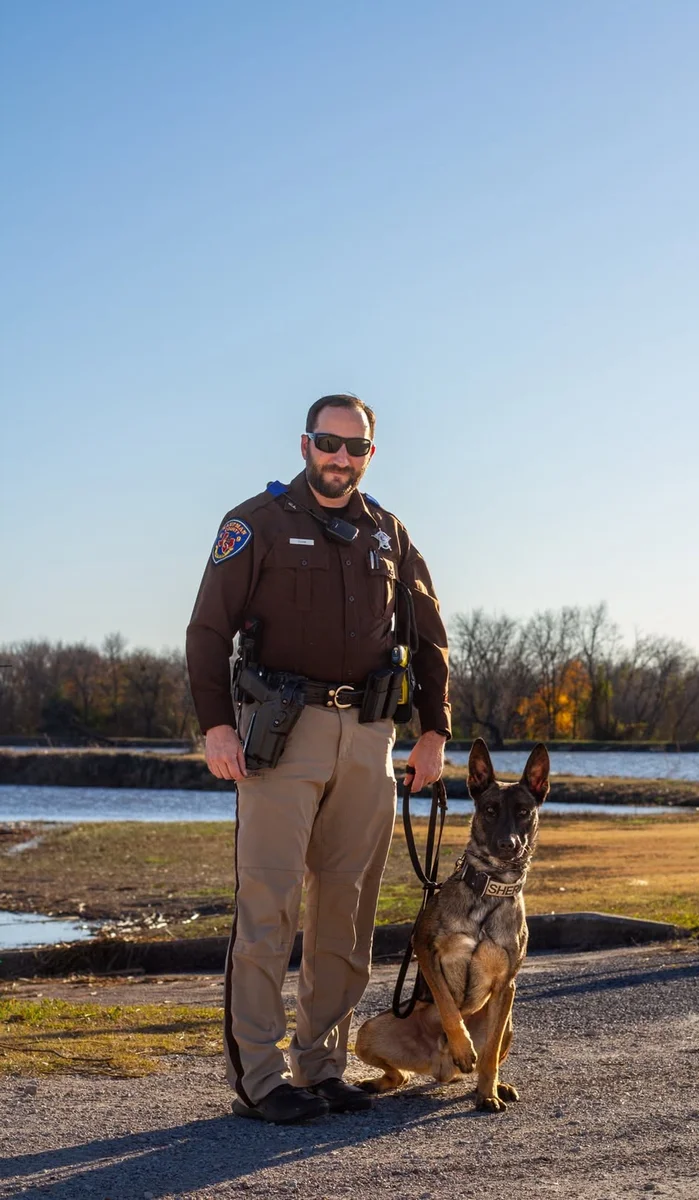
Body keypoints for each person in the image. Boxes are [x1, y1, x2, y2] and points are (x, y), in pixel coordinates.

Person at [186, 394, 450, 1124]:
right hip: (281, 732)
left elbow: (429, 638)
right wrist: (216, 727)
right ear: (305, 445)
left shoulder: (389, 534)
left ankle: (323, 1066)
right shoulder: (257, 523)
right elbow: (207, 630)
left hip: (368, 735)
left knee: (347, 910)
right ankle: (260, 1078)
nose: (340, 457)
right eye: (328, 443)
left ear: (370, 454)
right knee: (268, 906)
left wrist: (434, 732)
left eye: (354, 447)